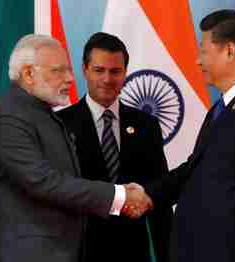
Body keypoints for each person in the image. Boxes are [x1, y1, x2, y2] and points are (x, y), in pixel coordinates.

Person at [0, 34, 152, 262]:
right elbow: (42, 181)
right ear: (29, 74)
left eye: (68, 70)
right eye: (58, 71)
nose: (70, 78)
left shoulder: (40, 113)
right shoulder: (9, 116)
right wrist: (119, 195)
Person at [142, 10, 235, 262]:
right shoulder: (223, 107)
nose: (198, 61)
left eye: (203, 51)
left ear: (229, 51)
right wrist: (147, 194)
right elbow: (196, 168)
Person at [57, 32, 173, 262]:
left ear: (125, 73)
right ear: (85, 69)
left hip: (132, 251)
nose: (107, 79)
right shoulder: (60, 124)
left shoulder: (146, 125)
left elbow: (159, 193)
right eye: (99, 70)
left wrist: (166, 253)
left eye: (115, 71)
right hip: (77, 251)